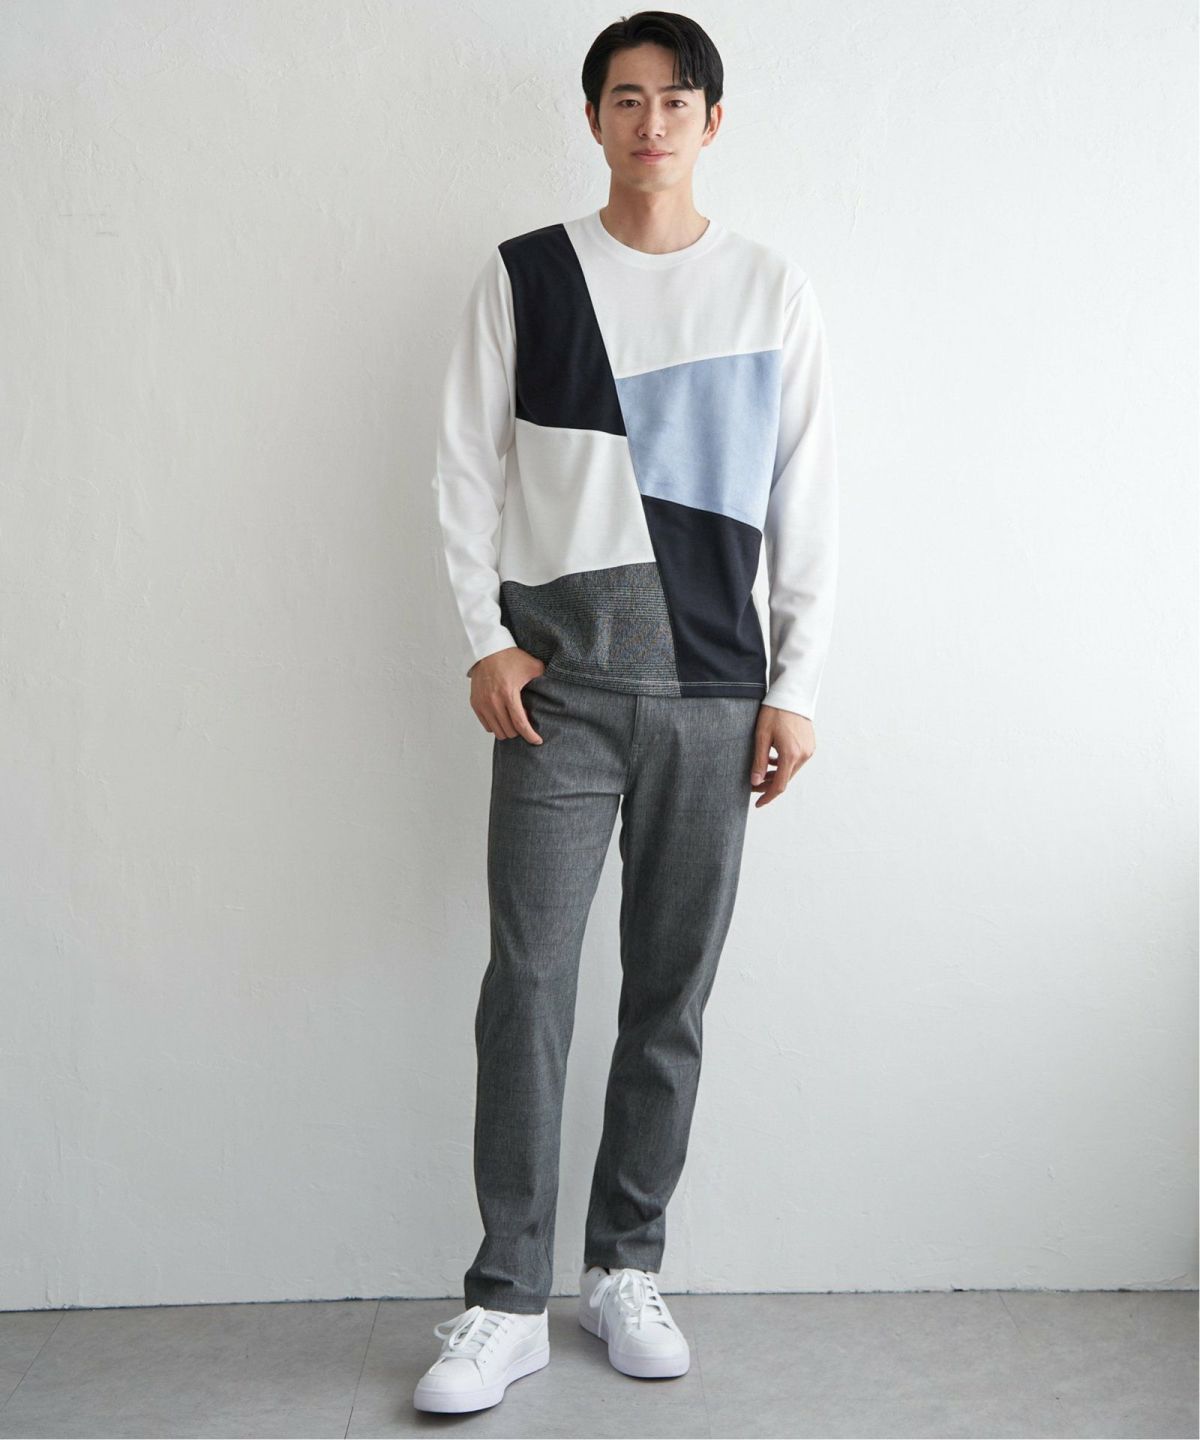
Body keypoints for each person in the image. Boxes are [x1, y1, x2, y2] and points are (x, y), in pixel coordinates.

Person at [416, 9, 839, 1415]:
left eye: (674, 99)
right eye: (624, 98)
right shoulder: (527, 275)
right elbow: (463, 468)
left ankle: (623, 1266)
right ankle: (504, 1298)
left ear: (712, 120)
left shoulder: (769, 289)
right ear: (593, 116)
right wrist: (485, 640)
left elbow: (807, 496)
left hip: (716, 696)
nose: (650, 122)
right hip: (559, 698)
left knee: (669, 997)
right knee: (526, 989)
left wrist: (796, 685)